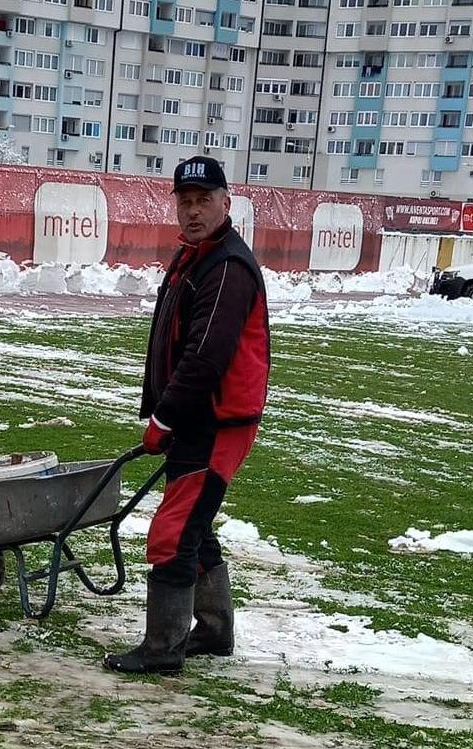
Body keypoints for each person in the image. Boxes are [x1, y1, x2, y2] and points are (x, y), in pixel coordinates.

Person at [104, 156, 270, 676]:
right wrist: (161, 411)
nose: (193, 210)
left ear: (227, 202)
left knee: (173, 533)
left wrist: (164, 419)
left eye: (204, 200)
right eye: (185, 200)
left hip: (215, 422)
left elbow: (204, 358)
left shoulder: (225, 268)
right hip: (196, 419)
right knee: (194, 524)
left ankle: (163, 648)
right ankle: (215, 632)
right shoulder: (196, 257)